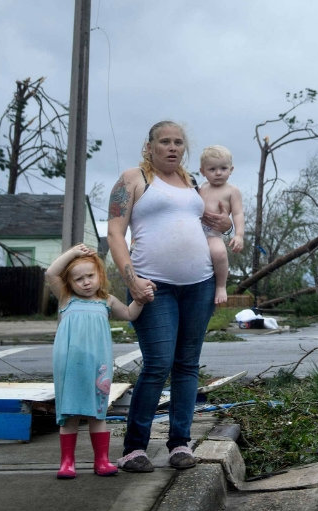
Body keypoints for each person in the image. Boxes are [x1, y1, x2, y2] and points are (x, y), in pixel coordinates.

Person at [106, 120, 232, 473]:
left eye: (178, 142)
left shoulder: (192, 183)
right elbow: (115, 233)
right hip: (152, 287)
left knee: (187, 365)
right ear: (150, 146)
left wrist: (227, 227)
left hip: (200, 284)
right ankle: (134, 448)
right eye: (165, 142)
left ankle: (180, 442)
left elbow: (210, 224)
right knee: (158, 363)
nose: (173, 147)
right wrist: (131, 280)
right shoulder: (134, 179)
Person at [45, 243, 145, 479]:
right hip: (69, 365)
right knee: (69, 415)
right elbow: (50, 273)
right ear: (69, 283)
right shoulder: (66, 299)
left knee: (97, 413)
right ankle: (67, 463)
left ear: (99, 275)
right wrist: (74, 253)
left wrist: (140, 299)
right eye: (78, 279)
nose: (86, 282)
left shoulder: (106, 301)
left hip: (97, 366)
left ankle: (101, 461)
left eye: (90, 276)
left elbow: (130, 314)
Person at [198, 145, 244, 305]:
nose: (218, 173)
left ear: (231, 169)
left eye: (223, 168)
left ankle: (221, 286)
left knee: (219, 253)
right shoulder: (201, 188)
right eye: (212, 169)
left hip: (213, 234)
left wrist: (239, 235)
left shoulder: (232, 191)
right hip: (195, 233)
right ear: (202, 171)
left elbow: (238, 213)